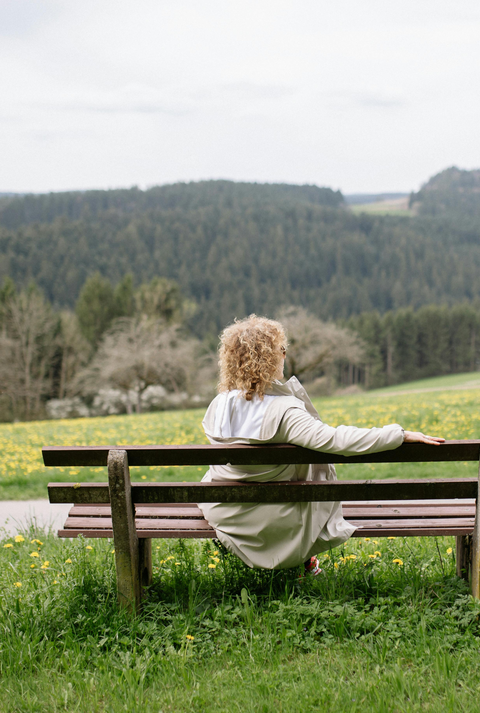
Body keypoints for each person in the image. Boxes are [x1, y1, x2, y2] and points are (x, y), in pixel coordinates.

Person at [198, 314, 444, 574]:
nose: (284, 355)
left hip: (227, 511)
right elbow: (337, 440)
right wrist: (397, 434)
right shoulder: (284, 411)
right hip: (276, 518)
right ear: (269, 358)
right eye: (281, 350)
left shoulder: (219, 405)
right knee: (314, 469)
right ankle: (304, 562)